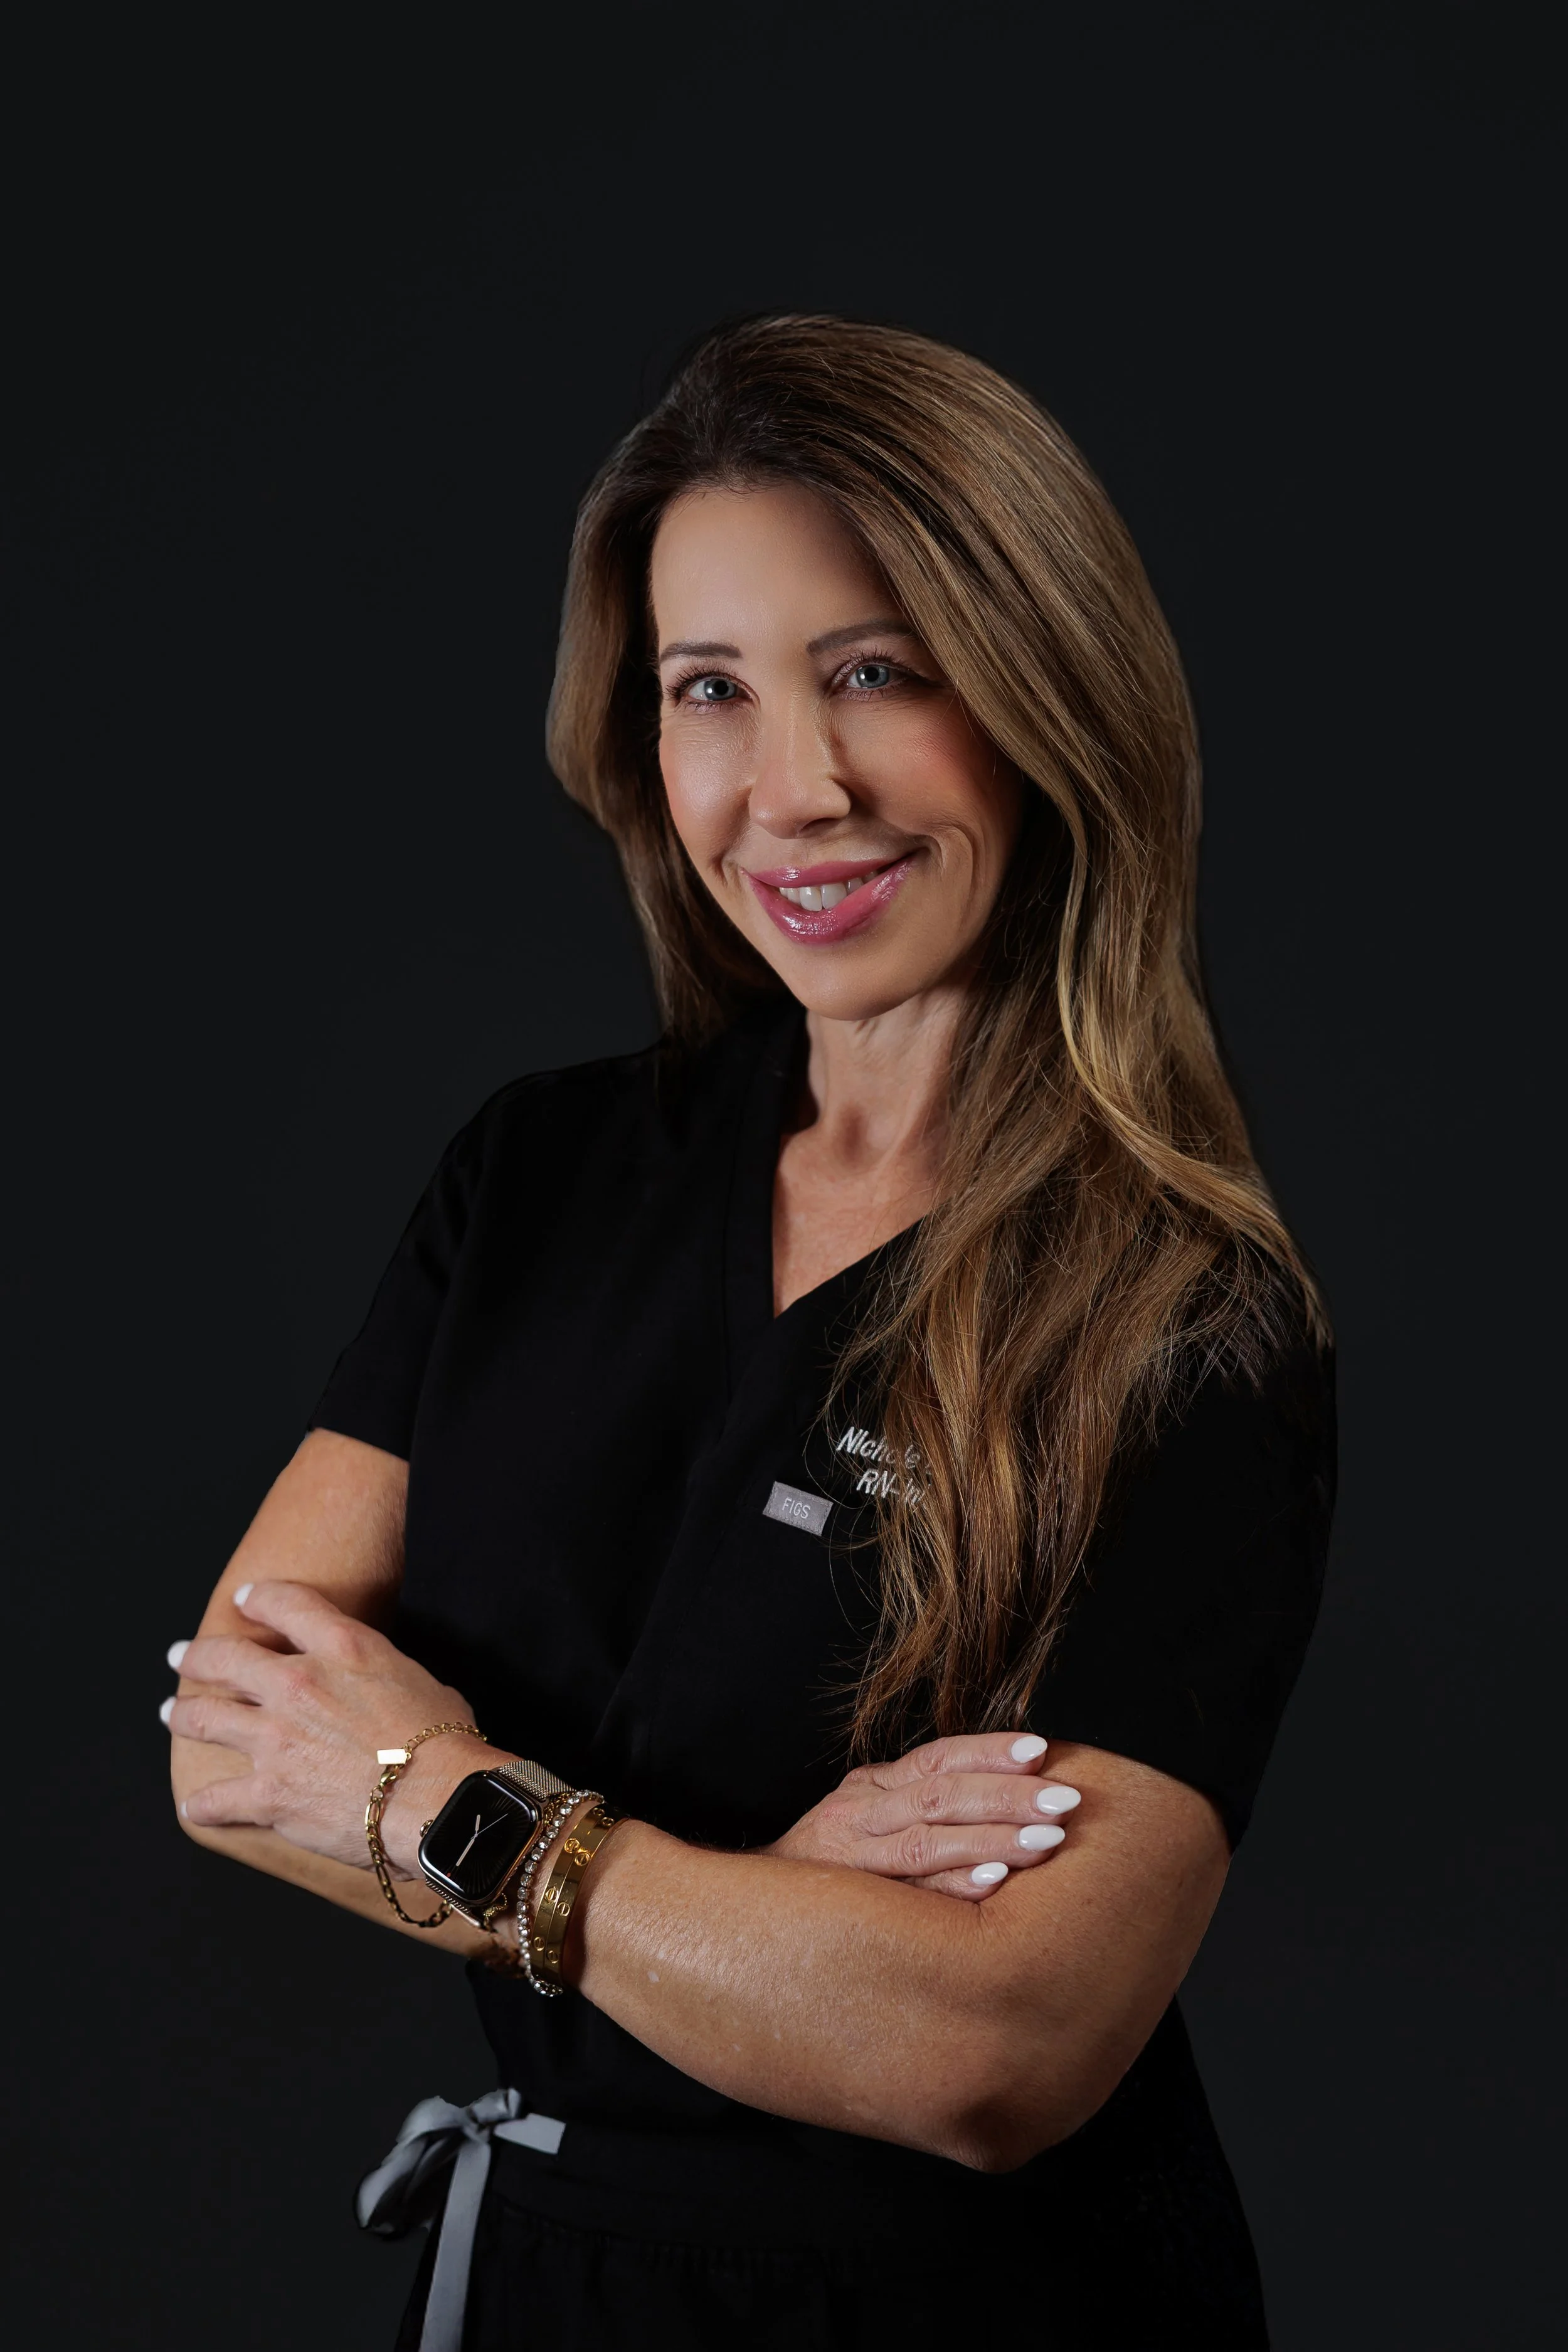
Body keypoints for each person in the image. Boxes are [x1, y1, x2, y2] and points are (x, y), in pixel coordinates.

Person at [164, 314, 1334, 2349]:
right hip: (545, 2282)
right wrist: (733, 1910)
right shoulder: (535, 1174)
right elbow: (233, 1744)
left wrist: (465, 1805)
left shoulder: (1184, 1321)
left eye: (878, 671)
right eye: (710, 688)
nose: (795, 789)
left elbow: (986, 2046)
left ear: (1048, 693)